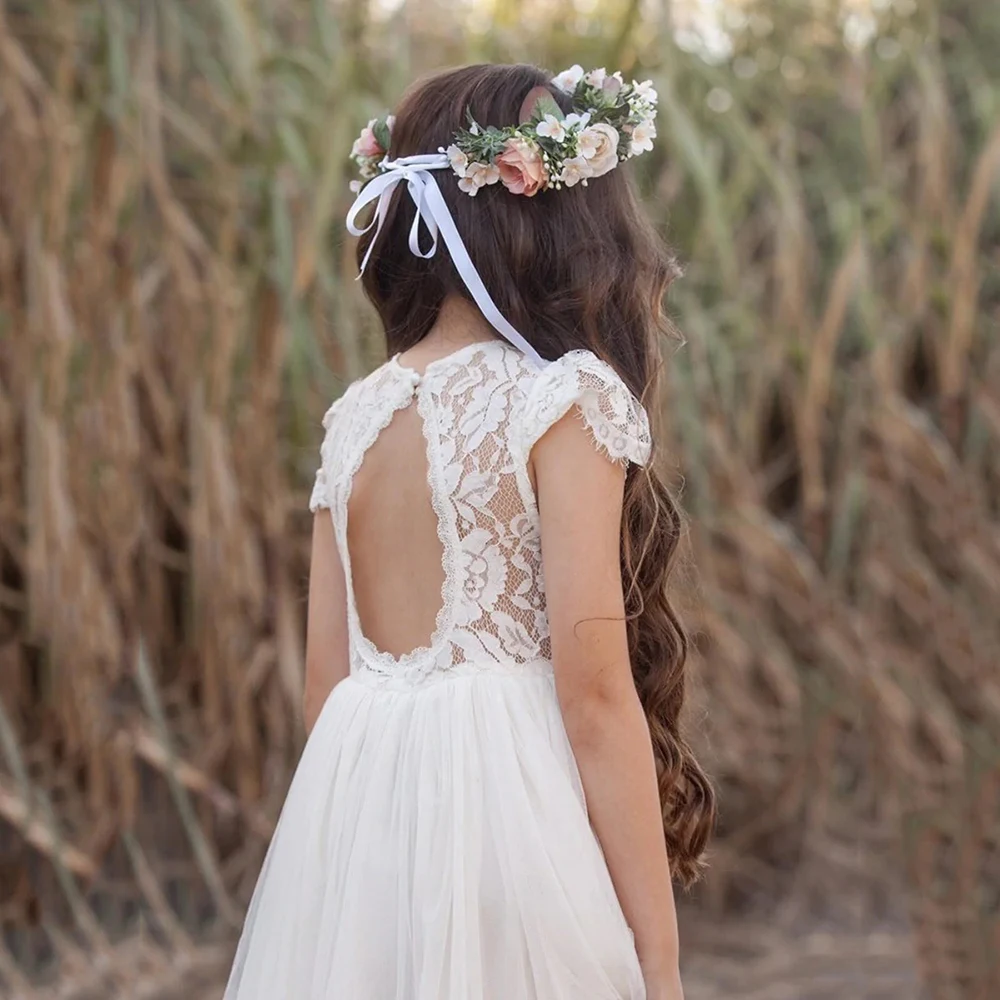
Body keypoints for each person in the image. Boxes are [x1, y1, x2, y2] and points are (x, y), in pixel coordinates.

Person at [224, 62, 715, 1000]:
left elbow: (328, 684)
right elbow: (596, 698)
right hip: (509, 819)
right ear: (562, 222)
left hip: (360, 824)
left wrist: (353, 873)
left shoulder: (355, 417)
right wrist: (658, 959)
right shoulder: (559, 400)